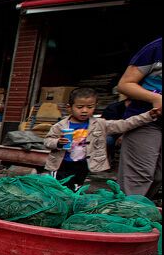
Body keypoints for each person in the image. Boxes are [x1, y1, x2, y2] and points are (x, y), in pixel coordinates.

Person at [43, 87, 160, 190]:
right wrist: (58, 142)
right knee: (57, 188)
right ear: (70, 107)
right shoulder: (61, 126)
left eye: (89, 107)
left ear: (95, 106)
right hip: (61, 164)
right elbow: (47, 141)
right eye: (80, 107)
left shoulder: (99, 124)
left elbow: (125, 124)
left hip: (83, 165)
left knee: (76, 188)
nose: (84, 110)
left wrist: (148, 116)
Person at [116, 37, 163, 198]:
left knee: (158, 177)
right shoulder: (156, 49)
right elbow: (125, 84)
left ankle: (139, 210)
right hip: (145, 120)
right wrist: (155, 99)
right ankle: (126, 215)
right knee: (139, 177)